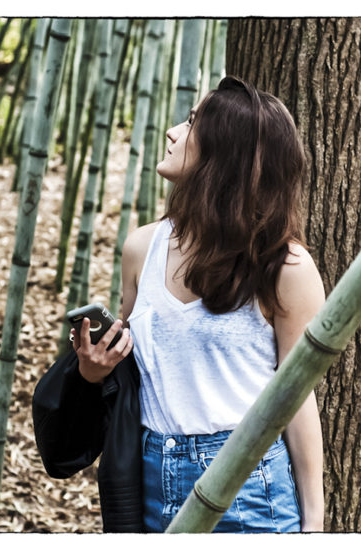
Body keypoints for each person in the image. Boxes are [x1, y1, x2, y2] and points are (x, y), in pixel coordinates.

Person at [70, 76, 325, 533]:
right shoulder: (141, 248)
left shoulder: (285, 267)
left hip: (248, 487)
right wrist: (93, 369)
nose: (172, 131)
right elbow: (130, 373)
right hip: (145, 477)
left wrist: (315, 524)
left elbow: (297, 397)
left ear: (226, 152)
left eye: (191, 123)